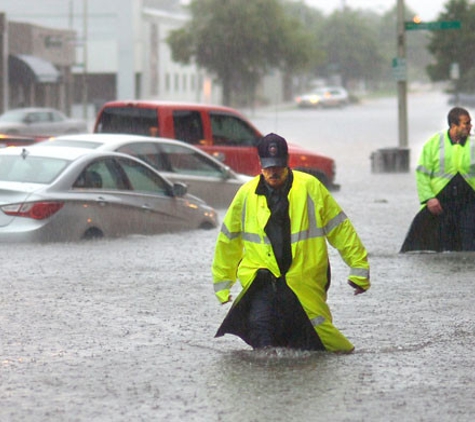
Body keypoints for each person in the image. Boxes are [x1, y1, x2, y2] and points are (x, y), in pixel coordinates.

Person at [211, 133, 370, 353]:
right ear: (260, 165)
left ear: (288, 163)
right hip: (262, 278)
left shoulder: (310, 188)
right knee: (260, 328)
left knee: (319, 340)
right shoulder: (246, 194)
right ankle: (268, 378)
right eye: (268, 167)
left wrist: (358, 269)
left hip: (303, 278)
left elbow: (340, 229)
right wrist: (222, 283)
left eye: (278, 166)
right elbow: (228, 240)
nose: (273, 172)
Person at [400, 107, 475, 252]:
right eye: (466, 123)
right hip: (440, 202)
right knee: (424, 245)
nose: (470, 126)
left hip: (469, 201)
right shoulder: (434, 144)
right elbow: (422, 174)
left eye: (470, 122)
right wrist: (429, 198)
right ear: (454, 126)